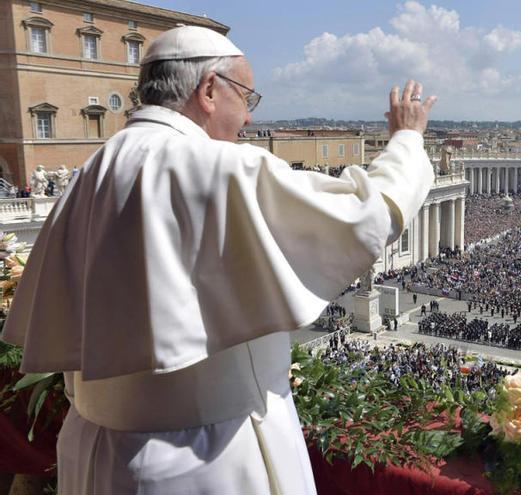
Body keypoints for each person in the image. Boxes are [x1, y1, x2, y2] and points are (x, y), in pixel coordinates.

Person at [0, 26, 437, 494]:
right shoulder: (216, 165)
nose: (247, 120)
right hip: (207, 461)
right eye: (247, 98)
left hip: (101, 457)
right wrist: (407, 141)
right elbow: (364, 215)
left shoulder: (94, 169)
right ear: (209, 89)